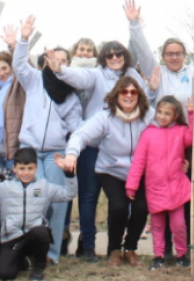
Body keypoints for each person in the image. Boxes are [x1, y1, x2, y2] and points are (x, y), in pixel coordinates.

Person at [49, 31, 147, 262]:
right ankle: (89, 245)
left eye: (118, 53)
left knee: (126, 203)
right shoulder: (96, 75)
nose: (114, 57)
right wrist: (60, 69)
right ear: (103, 57)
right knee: (89, 196)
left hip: (125, 152)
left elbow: (145, 102)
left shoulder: (132, 76)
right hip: (93, 146)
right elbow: (78, 78)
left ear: (125, 55)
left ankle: (127, 246)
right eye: (109, 54)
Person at [4, 16, 82, 265]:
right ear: (46, 62)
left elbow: (76, 129)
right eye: (53, 60)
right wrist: (24, 40)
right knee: (29, 201)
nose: (58, 64)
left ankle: (50, 254)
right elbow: (19, 66)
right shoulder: (35, 80)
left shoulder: (70, 95)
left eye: (63, 61)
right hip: (30, 151)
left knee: (58, 204)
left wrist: (71, 154)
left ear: (68, 65)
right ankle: (24, 250)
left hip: (55, 154)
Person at [63, 76, 158, 268]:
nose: (129, 96)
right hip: (110, 170)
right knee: (118, 207)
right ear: (116, 95)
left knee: (141, 208)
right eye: (124, 92)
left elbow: (169, 131)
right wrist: (72, 154)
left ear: (139, 95)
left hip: (139, 170)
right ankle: (114, 250)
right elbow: (80, 134)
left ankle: (130, 248)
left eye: (133, 92)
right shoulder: (105, 116)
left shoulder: (149, 115)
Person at [0, 145, 77, 281]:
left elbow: (69, 194)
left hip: (33, 235)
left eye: (30, 169)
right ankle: (22, 261)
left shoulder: (44, 186)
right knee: (5, 275)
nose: (26, 173)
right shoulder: (4, 187)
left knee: (42, 232)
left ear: (36, 168)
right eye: (22, 169)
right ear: (14, 168)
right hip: (11, 238)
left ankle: (39, 267)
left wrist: (69, 174)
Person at [125, 96, 194, 270]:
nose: (162, 116)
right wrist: (132, 185)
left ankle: (181, 253)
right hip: (155, 187)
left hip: (176, 186)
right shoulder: (148, 134)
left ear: (175, 116)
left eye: (167, 114)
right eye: (159, 112)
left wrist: (192, 114)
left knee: (179, 224)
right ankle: (159, 255)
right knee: (157, 225)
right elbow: (139, 162)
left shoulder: (180, 131)